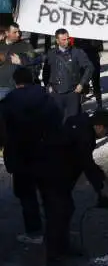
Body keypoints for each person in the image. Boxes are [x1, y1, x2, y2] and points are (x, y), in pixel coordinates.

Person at [47, 109, 108, 266]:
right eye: (107, 131)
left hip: (58, 173)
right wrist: (101, 187)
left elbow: (86, 161)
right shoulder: (85, 135)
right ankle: (54, 260)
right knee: (58, 214)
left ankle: (62, 248)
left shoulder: (82, 125)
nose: (106, 134)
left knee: (65, 209)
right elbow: (86, 164)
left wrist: (103, 179)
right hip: (52, 174)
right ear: (100, 126)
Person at [0, 68, 62, 246]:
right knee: (48, 192)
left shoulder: (9, 101)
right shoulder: (45, 98)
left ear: (15, 81)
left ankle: (34, 232)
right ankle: (55, 228)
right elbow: (57, 121)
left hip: (20, 155)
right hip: (45, 152)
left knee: (27, 196)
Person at [42, 29, 94, 121]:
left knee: (73, 121)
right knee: (57, 121)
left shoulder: (77, 52)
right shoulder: (51, 53)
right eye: (63, 39)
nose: (67, 41)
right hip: (56, 93)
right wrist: (48, 86)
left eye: (68, 38)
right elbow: (46, 71)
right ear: (57, 40)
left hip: (72, 93)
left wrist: (82, 83)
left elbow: (89, 67)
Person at [0, 22, 37, 102]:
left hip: (18, 87)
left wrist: (21, 62)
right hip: (1, 87)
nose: (18, 34)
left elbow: (34, 61)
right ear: (7, 33)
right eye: (15, 32)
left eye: (18, 32)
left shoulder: (25, 46)